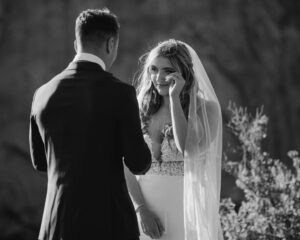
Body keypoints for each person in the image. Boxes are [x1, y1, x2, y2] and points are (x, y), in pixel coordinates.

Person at [29, 8, 151, 240]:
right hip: (109, 224)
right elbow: (139, 163)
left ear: (76, 44)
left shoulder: (42, 94)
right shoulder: (121, 93)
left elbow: (40, 162)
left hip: (56, 224)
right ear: (111, 43)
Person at [124, 39, 223, 240]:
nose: (158, 77)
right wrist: (141, 209)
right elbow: (123, 165)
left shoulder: (207, 110)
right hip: (145, 205)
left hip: (188, 206)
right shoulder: (138, 109)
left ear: (184, 74)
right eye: (153, 69)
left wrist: (174, 99)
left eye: (167, 71)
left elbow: (188, 149)